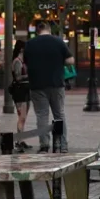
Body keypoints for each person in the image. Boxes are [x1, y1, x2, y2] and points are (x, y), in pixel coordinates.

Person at [25, 21, 74, 153]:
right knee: (59, 114)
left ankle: (44, 145)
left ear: (37, 31)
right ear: (49, 30)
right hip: (56, 83)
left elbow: (26, 62)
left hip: (37, 84)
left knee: (42, 115)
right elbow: (70, 60)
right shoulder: (58, 41)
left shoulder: (30, 43)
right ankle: (62, 145)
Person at [10, 40, 31, 152]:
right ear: (22, 49)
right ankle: (18, 141)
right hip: (19, 90)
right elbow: (18, 77)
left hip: (26, 90)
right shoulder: (17, 61)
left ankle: (21, 139)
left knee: (24, 117)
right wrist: (29, 75)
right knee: (21, 117)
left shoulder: (24, 61)